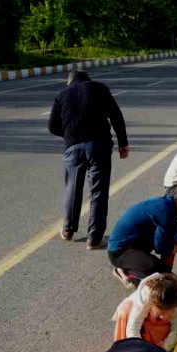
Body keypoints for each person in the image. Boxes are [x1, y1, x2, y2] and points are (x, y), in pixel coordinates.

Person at [49, 69, 130, 250]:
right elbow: (116, 116)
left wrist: (70, 134)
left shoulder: (62, 95)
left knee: (72, 188)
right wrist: (123, 143)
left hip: (73, 147)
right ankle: (94, 239)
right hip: (99, 145)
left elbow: (52, 126)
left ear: (69, 82)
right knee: (98, 191)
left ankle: (68, 230)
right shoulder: (99, 88)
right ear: (88, 79)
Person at [106, 184, 177, 288]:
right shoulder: (166, 213)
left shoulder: (170, 204)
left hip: (134, 243)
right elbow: (162, 248)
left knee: (172, 233)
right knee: (154, 276)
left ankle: (166, 273)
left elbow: (167, 241)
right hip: (119, 252)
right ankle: (126, 272)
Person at [112, 273, 177, 350]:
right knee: (125, 309)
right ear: (151, 304)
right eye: (159, 314)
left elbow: (175, 330)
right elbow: (133, 327)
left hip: (163, 324)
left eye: (167, 313)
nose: (163, 317)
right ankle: (125, 348)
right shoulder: (145, 297)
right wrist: (140, 348)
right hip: (148, 320)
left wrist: (164, 347)